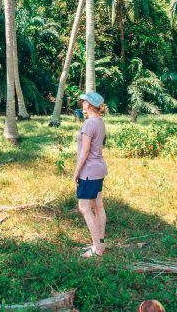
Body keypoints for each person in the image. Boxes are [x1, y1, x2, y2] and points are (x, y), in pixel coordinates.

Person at [73, 91, 108, 258]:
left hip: (89, 171)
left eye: (84, 101)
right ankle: (100, 243)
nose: (82, 103)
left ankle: (97, 249)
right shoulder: (99, 121)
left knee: (84, 208)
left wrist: (76, 171)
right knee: (99, 207)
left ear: (88, 105)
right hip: (99, 168)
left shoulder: (88, 124)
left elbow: (85, 151)